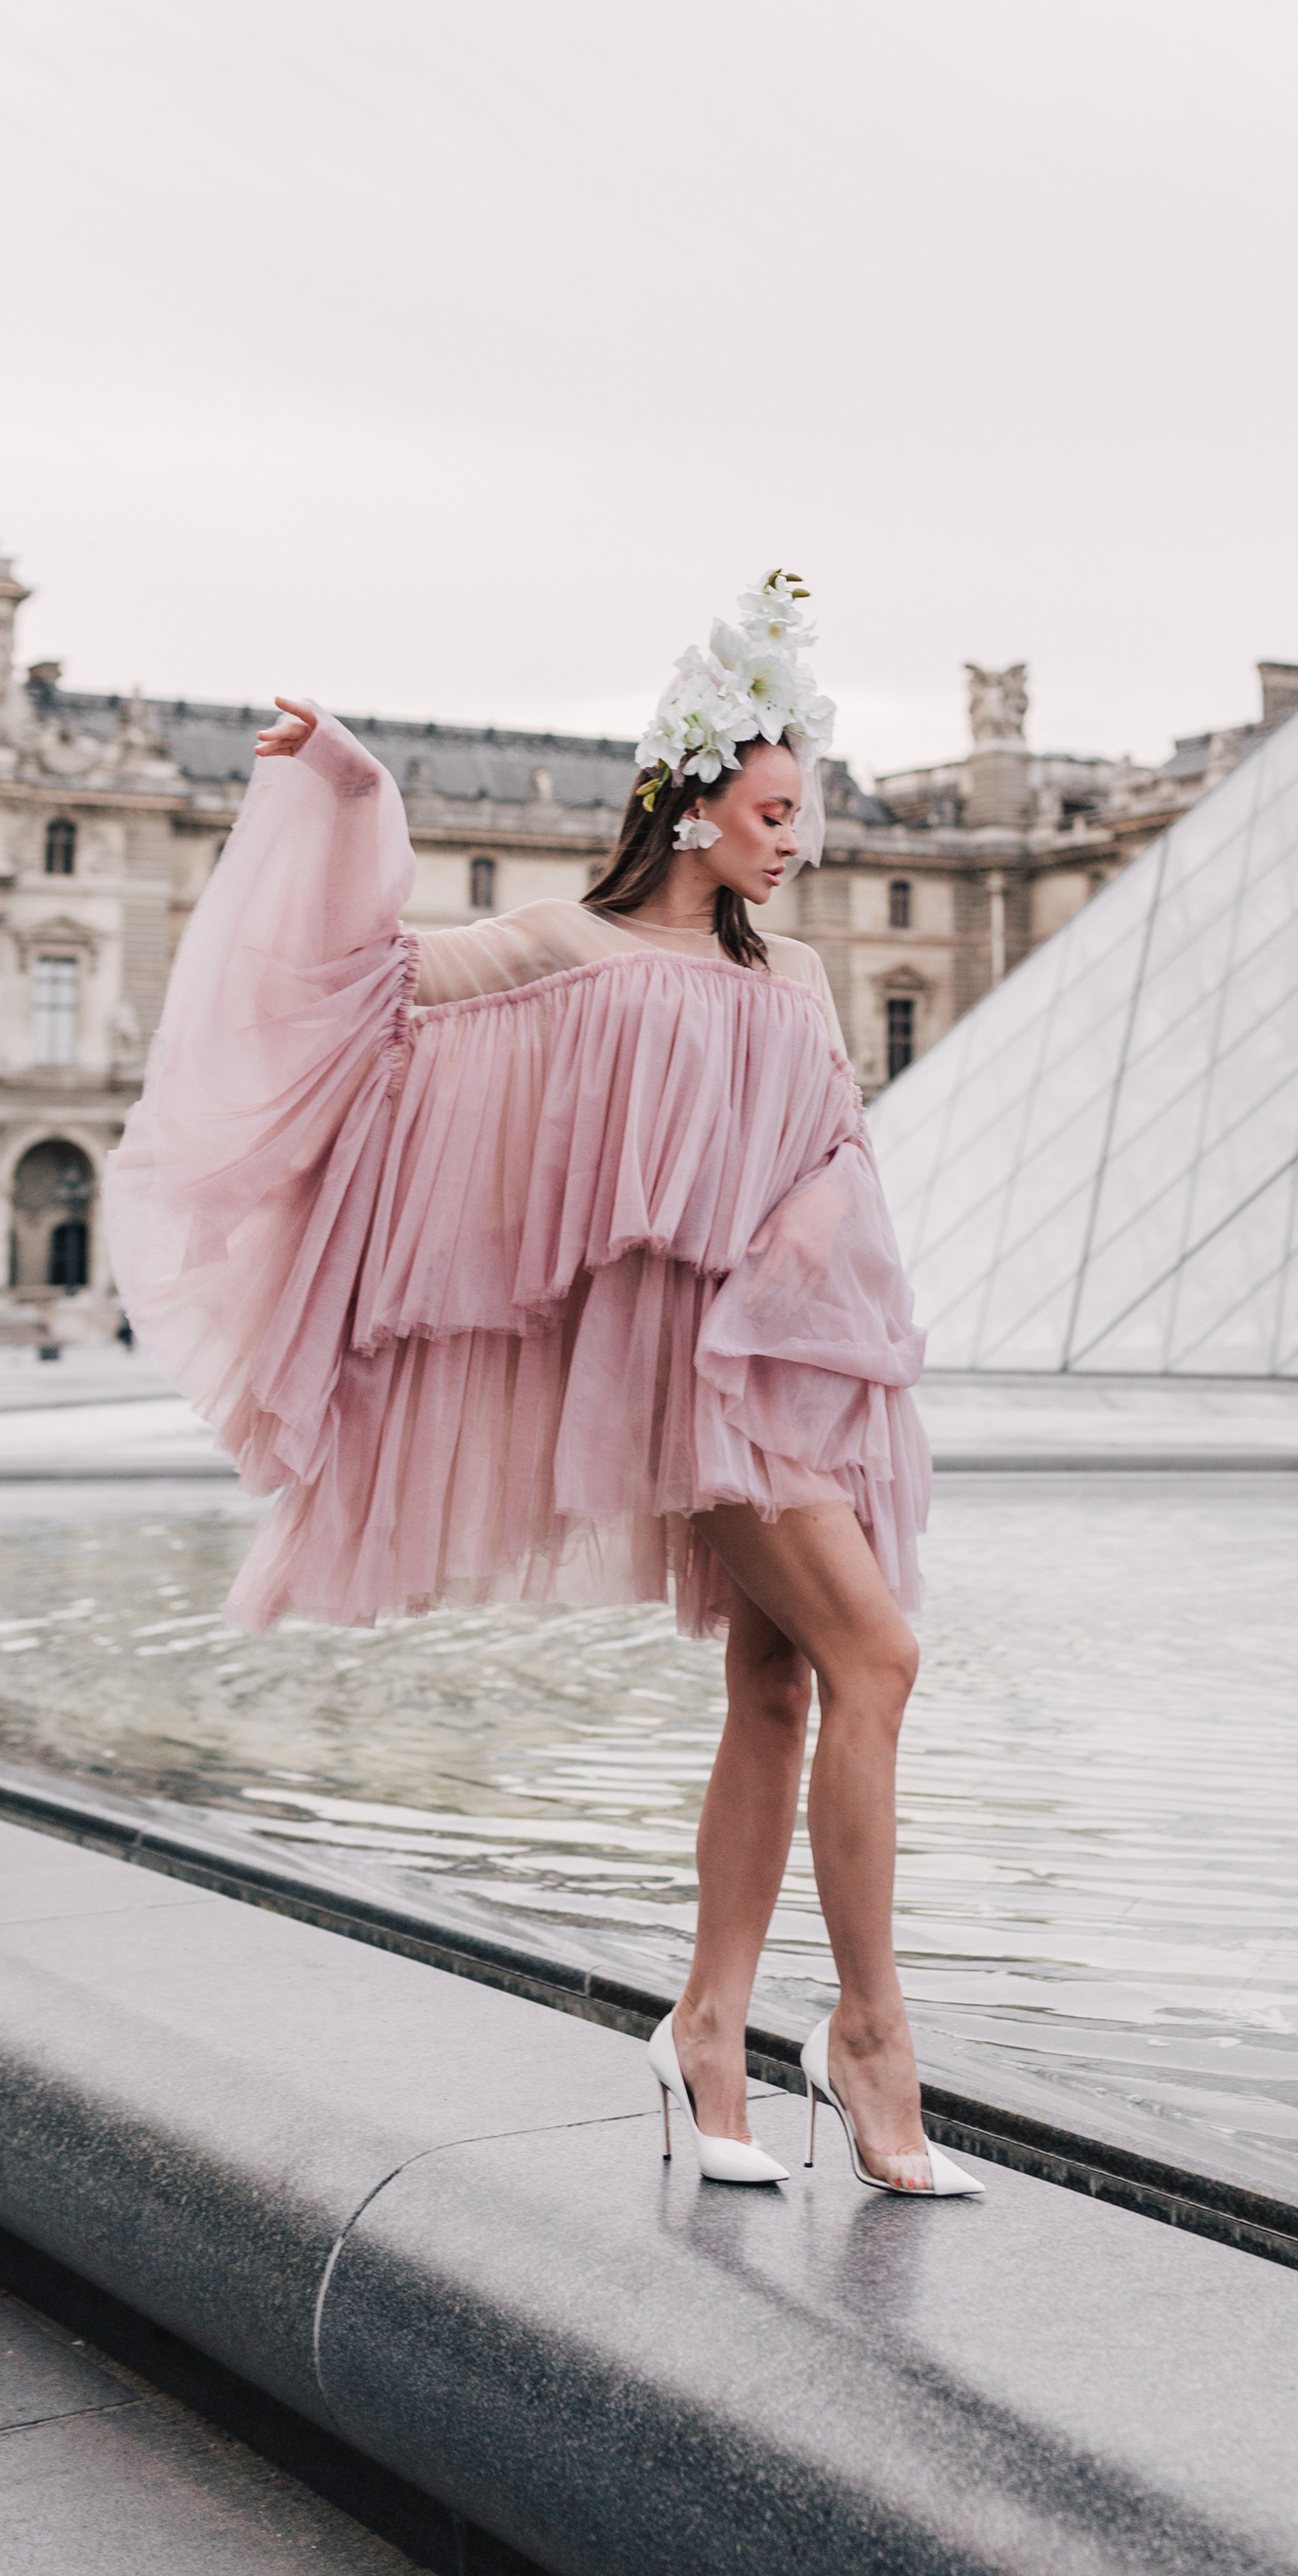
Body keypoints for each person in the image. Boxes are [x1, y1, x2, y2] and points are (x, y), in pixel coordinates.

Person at [107, 573, 976, 2200]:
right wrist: (358, 794)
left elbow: (836, 1160)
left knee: (785, 1689)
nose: (800, 842)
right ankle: (869, 2038)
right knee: (881, 1656)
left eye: (811, 818)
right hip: (694, 1387)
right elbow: (364, 996)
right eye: (778, 810)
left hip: (797, 1368)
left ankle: (710, 2032)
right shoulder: (554, 945)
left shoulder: (793, 977)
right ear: (695, 802)